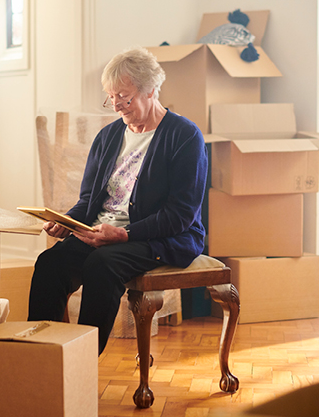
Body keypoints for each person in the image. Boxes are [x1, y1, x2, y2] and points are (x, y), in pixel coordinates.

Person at [27, 46, 208, 355]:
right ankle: (40, 357)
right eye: (111, 98)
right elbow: (89, 200)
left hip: (161, 237)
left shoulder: (185, 136)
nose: (116, 107)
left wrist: (125, 234)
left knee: (102, 264)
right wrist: (66, 222)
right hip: (105, 234)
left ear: (151, 90)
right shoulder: (108, 136)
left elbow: (180, 215)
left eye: (124, 98)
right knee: (50, 263)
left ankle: (80, 360)